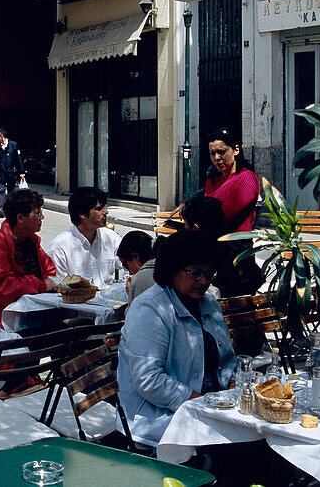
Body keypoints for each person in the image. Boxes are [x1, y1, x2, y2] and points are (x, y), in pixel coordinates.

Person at [117, 230, 236, 450]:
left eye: (209, 274)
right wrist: (198, 402)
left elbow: (227, 359)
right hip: (161, 418)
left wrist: (234, 385)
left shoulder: (208, 303)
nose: (204, 281)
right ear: (172, 269)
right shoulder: (150, 309)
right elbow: (149, 380)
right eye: (195, 273)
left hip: (212, 409)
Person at [0, 188, 58, 326]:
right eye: (37, 213)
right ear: (20, 218)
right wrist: (40, 285)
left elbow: (50, 271)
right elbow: (3, 287)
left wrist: (51, 284)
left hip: (32, 312)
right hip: (0, 321)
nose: (42, 217)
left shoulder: (31, 241)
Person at [203, 127, 263, 297]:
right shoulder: (212, 180)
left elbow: (220, 213)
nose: (216, 158)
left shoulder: (247, 178)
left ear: (236, 150)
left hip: (237, 258)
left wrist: (197, 209)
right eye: (212, 153)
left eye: (221, 152)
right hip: (214, 257)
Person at [44, 187, 120, 288]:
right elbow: (59, 287)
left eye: (104, 207)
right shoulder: (59, 247)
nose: (106, 212)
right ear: (82, 214)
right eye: (99, 208)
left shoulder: (111, 238)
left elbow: (132, 266)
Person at [0, 128, 26, 207]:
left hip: (11, 172)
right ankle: (2, 208)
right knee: (1, 191)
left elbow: (18, 159)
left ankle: (10, 208)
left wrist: (21, 172)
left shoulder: (13, 145)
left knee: (11, 191)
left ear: (2, 136)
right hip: (1, 173)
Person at [118, 231, 155, 302]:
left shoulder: (139, 281)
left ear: (135, 256)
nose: (130, 273)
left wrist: (131, 292)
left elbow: (134, 312)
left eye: (126, 265)